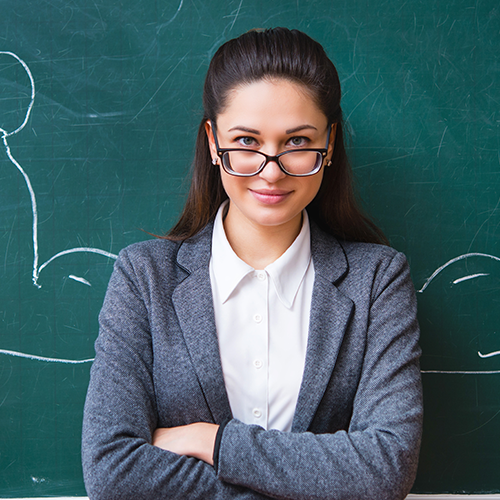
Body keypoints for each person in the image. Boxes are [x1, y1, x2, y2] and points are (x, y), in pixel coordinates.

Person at [82, 27, 423, 499]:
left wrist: (213, 442)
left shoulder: (377, 281)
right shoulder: (143, 278)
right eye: (245, 140)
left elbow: (386, 469)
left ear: (329, 144)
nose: (271, 169)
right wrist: (310, 481)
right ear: (211, 140)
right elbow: (112, 472)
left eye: (297, 142)